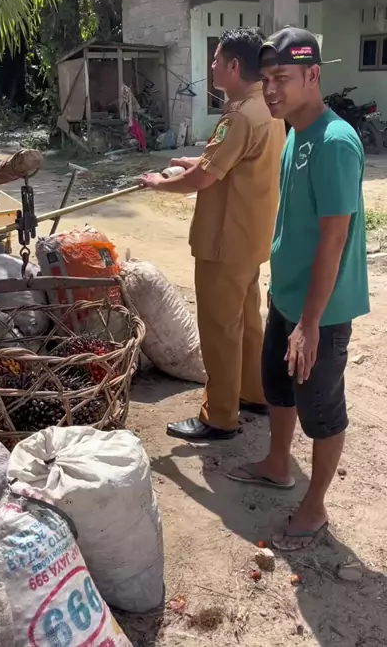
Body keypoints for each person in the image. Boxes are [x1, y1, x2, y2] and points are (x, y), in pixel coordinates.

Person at [227, 27, 369, 551]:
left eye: (282, 78)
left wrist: (309, 325)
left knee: (322, 410)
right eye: (266, 78)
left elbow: (334, 240)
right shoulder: (295, 134)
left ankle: (315, 507)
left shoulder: (334, 143)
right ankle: (277, 463)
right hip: (287, 295)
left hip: (321, 312)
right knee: (278, 386)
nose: (270, 90)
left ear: (313, 75)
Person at [140, 27, 285, 442]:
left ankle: (220, 416)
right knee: (248, 322)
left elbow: (203, 179)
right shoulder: (265, 107)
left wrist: (159, 183)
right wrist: (195, 161)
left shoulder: (239, 115)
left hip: (224, 242)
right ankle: (254, 393)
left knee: (220, 330)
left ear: (234, 66)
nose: (213, 66)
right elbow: (229, 163)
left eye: (217, 59)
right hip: (251, 237)